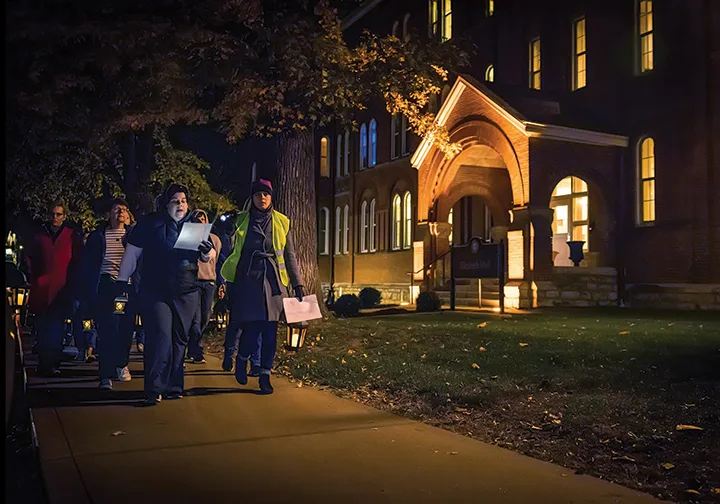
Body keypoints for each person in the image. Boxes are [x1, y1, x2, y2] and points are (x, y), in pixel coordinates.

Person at [116, 184, 214, 406]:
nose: (180, 205)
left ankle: (173, 385)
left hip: (186, 290)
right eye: (175, 201)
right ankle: (153, 387)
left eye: (183, 201)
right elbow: (132, 253)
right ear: (165, 203)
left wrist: (208, 251)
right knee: (160, 336)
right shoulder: (151, 224)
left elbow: (206, 257)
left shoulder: (193, 226)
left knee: (180, 339)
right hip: (156, 290)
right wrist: (122, 281)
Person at [220, 179, 304, 394]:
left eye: (266, 194)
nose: (263, 198)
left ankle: (265, 374)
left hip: (274, 281)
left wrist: (298, 284)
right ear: (253, 198)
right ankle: (243, 358)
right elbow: (228, 246)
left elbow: (290, 255)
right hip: (248, 279)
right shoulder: (241, 220)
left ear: (271, 196)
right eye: (258, 194)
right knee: (252, 328)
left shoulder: (281, 221)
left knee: (270, 331)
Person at [81, 198, 138, 390]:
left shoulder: (132, 235)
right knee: (108, 330)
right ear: (109, 214)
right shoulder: (99, 236)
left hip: (126, 287)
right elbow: (89, 264)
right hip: (106, 286)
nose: (120, 212)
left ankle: (121, 364)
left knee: (125, 329)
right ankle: (105, 374)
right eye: (116, 209)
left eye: (123, 209)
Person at [25, 202, 84, 377]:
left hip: (61, 289)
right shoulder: (38, 235)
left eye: (59, 214)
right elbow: (30, 259)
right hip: (42, 288)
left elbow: (77, 262)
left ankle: (52, 363)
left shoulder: (72, 236)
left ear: (64, 216)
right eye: (53, 214)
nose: (55, 217)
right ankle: (44, 363)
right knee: (43, 329)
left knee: (56, 329)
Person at [185, 209, 223, 364]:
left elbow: (219, 262)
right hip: (193, 281)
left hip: (209, 282)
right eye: (197, 217)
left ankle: (193, 344)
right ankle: (196, 350)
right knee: (195, 317)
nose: (200, 219)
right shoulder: (187, 238)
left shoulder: (215, 239)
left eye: (203, 217)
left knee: (205, 317)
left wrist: (222, 282)